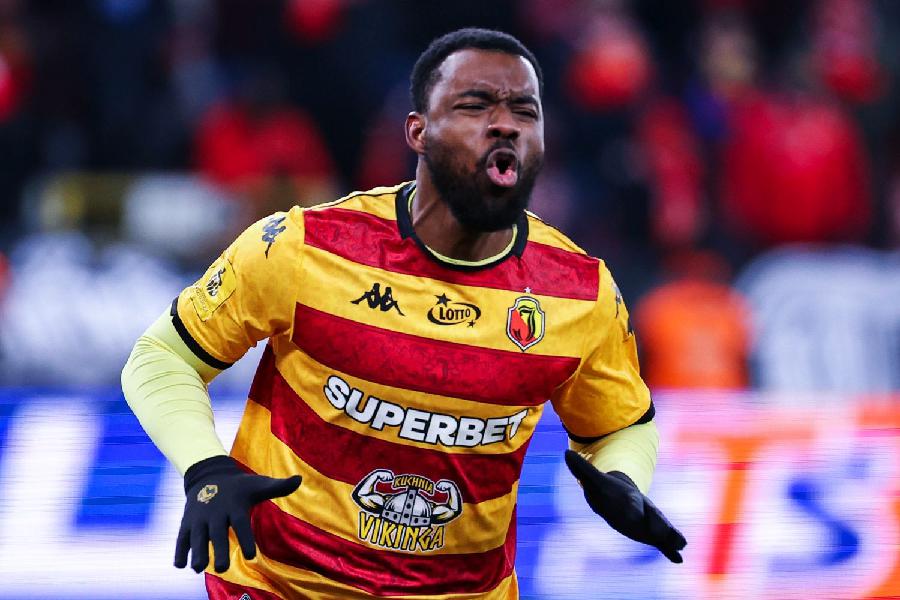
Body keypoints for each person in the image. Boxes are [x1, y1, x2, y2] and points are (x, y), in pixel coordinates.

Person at [122, 27, 686, 600]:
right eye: (475, 106)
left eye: (525, 111)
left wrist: (623, 477)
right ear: (418, 131)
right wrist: (205, 469)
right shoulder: (304, 248)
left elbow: (620, 425)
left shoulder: (580, 293)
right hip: (279, 586)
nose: (505, 125)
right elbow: (162, 356)